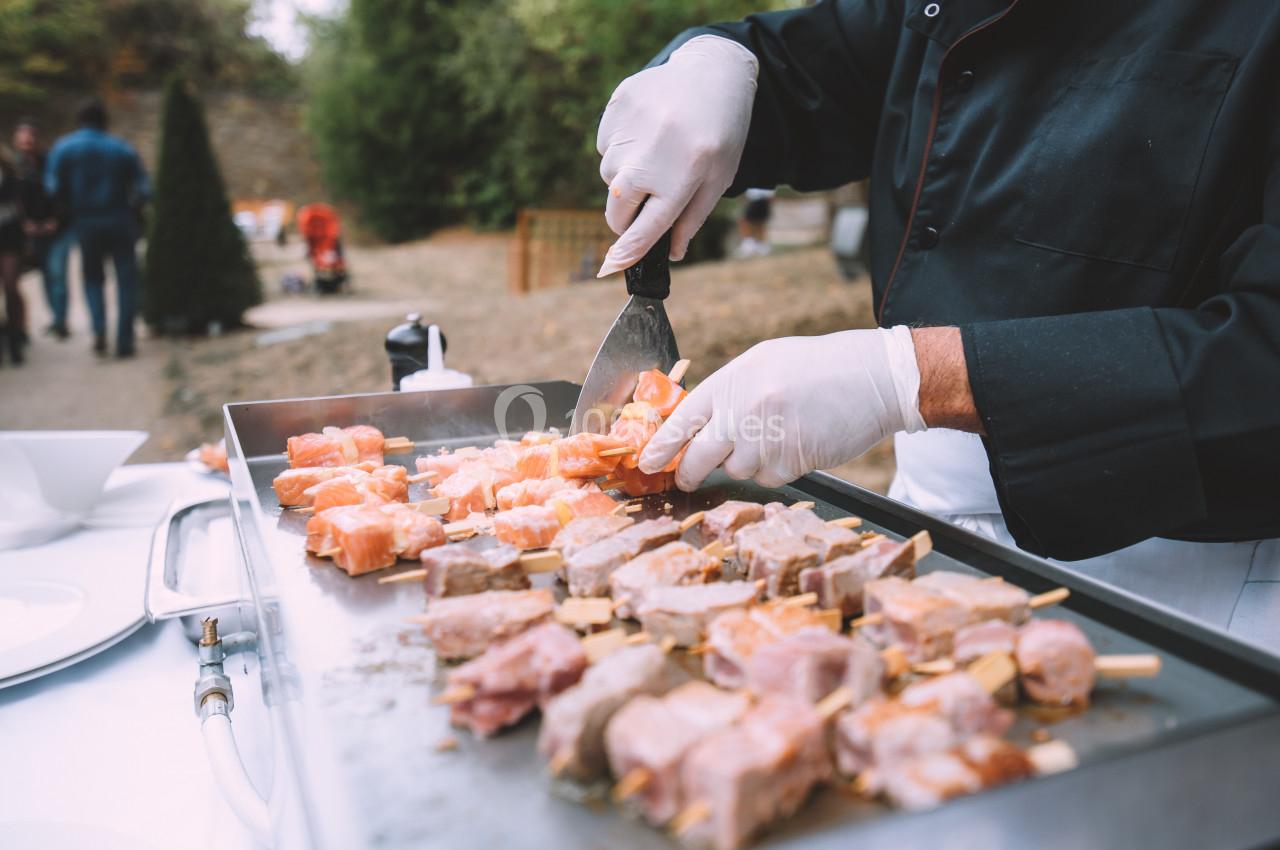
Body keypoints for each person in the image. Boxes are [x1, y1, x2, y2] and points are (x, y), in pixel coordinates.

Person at [595, 3, 1280, 647]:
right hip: (929, 516)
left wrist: (912, 378)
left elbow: (1262, 362)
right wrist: (716, 63)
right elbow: (822, 64)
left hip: (1196, 577)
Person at [46, 98, 149, 357]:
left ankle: (99, 328)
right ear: (104, 122)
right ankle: (125, 340)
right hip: (120, 220)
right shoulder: (121, 148)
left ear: (80, 121)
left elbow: (52, 188)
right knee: (126, 280)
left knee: (93, 279)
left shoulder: (64, 148)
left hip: (85, 222)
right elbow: (145, 188)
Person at [14, 119, 72, 340]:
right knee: (47, 276)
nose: (27, 142)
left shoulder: (50, 163)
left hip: (57, 229)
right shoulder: (15, 168)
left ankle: (61, 321)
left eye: (30, 137)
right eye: (22, 138)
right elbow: (14, 200)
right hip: (33, 231)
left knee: (57, 273)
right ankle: (56, 319)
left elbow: (63, 193)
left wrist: (56, 219)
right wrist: (24, 223)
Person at [0, 151, 25, 363]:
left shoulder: (10, 176)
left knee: (10, 288)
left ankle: (16, 338)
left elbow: (19, 210)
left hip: (9, 238)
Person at [735, 188, 773, 258]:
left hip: (757, 200)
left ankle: (750, 245)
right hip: (762, 200)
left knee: (745, 222)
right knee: (758, 224)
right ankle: (761, 246)